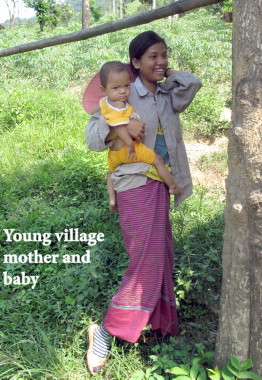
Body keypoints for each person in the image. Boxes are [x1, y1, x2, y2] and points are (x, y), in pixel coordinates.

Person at [84, 30, 202, 376]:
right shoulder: (121, 94)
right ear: (135, 63)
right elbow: (93, 140)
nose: (160, 62)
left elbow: (192, 84)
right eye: (152, 56)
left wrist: (169, 73)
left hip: (160, 185)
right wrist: (118, 126)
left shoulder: (166, 93)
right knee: (145, 261)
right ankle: (105, 332)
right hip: (134, 183)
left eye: (163, 55)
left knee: (161, 253)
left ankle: (155, 324)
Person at [89, 61, 184, 211]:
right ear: (103, 89)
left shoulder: (104, 102)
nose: (122, 91)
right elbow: (120, 127)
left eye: (126, 86)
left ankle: (112, 199)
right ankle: (172, 186)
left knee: (111, 172)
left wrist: (94, 112)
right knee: (157, 161)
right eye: (116, 87)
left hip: (114, 155)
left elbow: (93, 110)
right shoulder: (120, 105)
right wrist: (130, 144)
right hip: (129, 150)